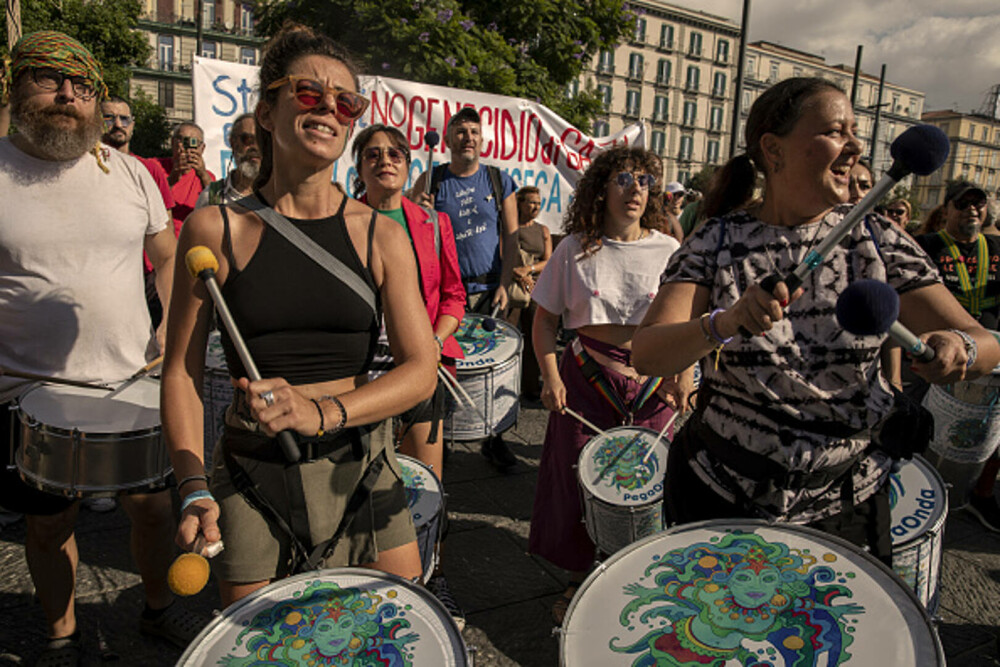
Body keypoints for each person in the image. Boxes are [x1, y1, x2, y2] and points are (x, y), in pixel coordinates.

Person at [631, 77, 999, 566]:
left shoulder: (878, 238)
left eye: (855, 131)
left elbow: (984, 341)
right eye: (835, 131)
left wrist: (959, 349)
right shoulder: (716, 240)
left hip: (846, 504)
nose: (855, 146)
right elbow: (648, 353)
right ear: (773, 149)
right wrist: (726, 321)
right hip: (719, 493)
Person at [162, 23, 435, 608]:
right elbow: (181, 373)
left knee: (390, 628)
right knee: (262, 640)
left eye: (346, 101)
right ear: (266, 110)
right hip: (253, 472)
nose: (328, 109)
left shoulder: (379, 235)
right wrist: (190, 487)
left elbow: (421, 368)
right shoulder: (215, 228)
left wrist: (324, 411)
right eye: (308, 93)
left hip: (361, 466)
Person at [0, 31, 197, 665]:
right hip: (27, 392)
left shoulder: (132, 172)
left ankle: (158, 609)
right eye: (48, 80)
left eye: (82, 86)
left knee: (154, 512)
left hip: (132, 379)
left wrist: (171, 324)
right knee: (49, 525)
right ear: (16, 87)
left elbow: (166, 256)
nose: (67, 95)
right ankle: (62, 636)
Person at [527, 146, 688, 625]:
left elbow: (691, 321)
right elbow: (543, 322)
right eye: (623, 178)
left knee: (649, 482)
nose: (635, 189)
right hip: (586, 379)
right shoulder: (573, 247)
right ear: (601, 188)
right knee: (579, 478)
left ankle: (641, 573)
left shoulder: (668, 249)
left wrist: (684, 378)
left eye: (643, 180)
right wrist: (551, 376)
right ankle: (578, 578)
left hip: (653, 385)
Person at [351, 123, 467, 627]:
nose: (385, 160)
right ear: (357, 167)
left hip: (420, 371)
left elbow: (454, 296)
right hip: (357, 375)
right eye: (372, 154)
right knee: (356, 484)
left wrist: (433, 342)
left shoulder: (433, 223)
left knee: (427, 486)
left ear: (407, 161)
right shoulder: (340, 221)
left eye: (395, 152)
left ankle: (432, 577)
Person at [916, 180, 1000, 530]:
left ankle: (980, 495)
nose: (972, 210)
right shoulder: (927, 246)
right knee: (921, 423)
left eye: (978, 204)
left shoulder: (996, 247)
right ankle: (916, 489)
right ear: (946, 209)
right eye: (963, 204)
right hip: (935, 352)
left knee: (994, 433)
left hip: (990, 353)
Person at [409, 107, 519, 315]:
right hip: (445, 294)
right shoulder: (430, 180)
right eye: (461, 132)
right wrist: (419, 215)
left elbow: (512, 238)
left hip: (490, 291)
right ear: (448, 142)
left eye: (474, 132)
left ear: (482, 142)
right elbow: (413, 236)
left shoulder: (499, 180)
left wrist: (505, 284)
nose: (468, 137)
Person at [507, 185, 552, 402]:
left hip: (536, 289)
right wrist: (518, 274)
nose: (535, 206)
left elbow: (548, 260)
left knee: (535, 338)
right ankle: (504, 384)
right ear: (520, 203)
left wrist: (529, 270)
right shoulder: (509, 226)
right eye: (531, 202)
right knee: (507, 338)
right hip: (513, 288)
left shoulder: (543, 230)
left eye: (538, 202)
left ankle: (531, 387)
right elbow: (501, 254)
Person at [156, 121, 215, 237]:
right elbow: (151, 202)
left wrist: (202, 174)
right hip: (162, 241)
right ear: (173, 143)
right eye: (183, 141)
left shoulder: (207, 177)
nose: (187, 148)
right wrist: (174, 176)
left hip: (192, 240)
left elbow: (217, 204)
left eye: (193, 143)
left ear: (202, 148)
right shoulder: (156, 166)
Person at [194, 113, 260, 208]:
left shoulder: (280, 196)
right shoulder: (212, 196)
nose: (255, 146)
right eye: (248, 139)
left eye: (262, 140)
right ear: (233, 143)